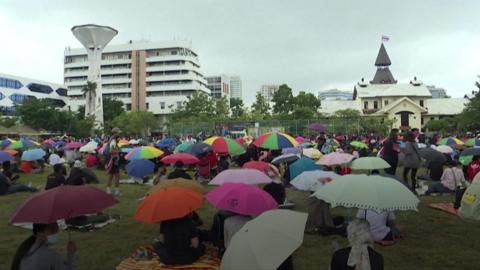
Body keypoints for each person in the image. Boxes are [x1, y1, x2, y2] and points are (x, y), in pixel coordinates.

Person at [11, 223, 76, 270]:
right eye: (52, 230)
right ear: (40, 233)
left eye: (57, 229)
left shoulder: (26, 250)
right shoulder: (52, 257)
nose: (56, 233)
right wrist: (71, 254)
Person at [106, 128, 121, 196]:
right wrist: (118, 151)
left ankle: (111, 189)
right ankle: (115, 190)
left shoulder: (112, 140)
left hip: (114, 159)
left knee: (113, 175)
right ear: (115, 133)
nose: (119, 134)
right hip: (114, 159)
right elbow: (111, 151)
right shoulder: (113, 141)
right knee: (115, 175)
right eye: (118, 133)